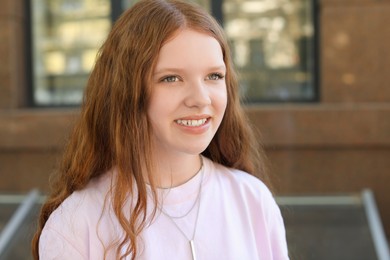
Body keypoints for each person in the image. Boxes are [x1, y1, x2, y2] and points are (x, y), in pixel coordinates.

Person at [32, 0, 289, 259]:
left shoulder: (252, 200)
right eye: (171, 78)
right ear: (125, 91)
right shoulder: (77, 223)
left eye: (214, 76)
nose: (200, 99)